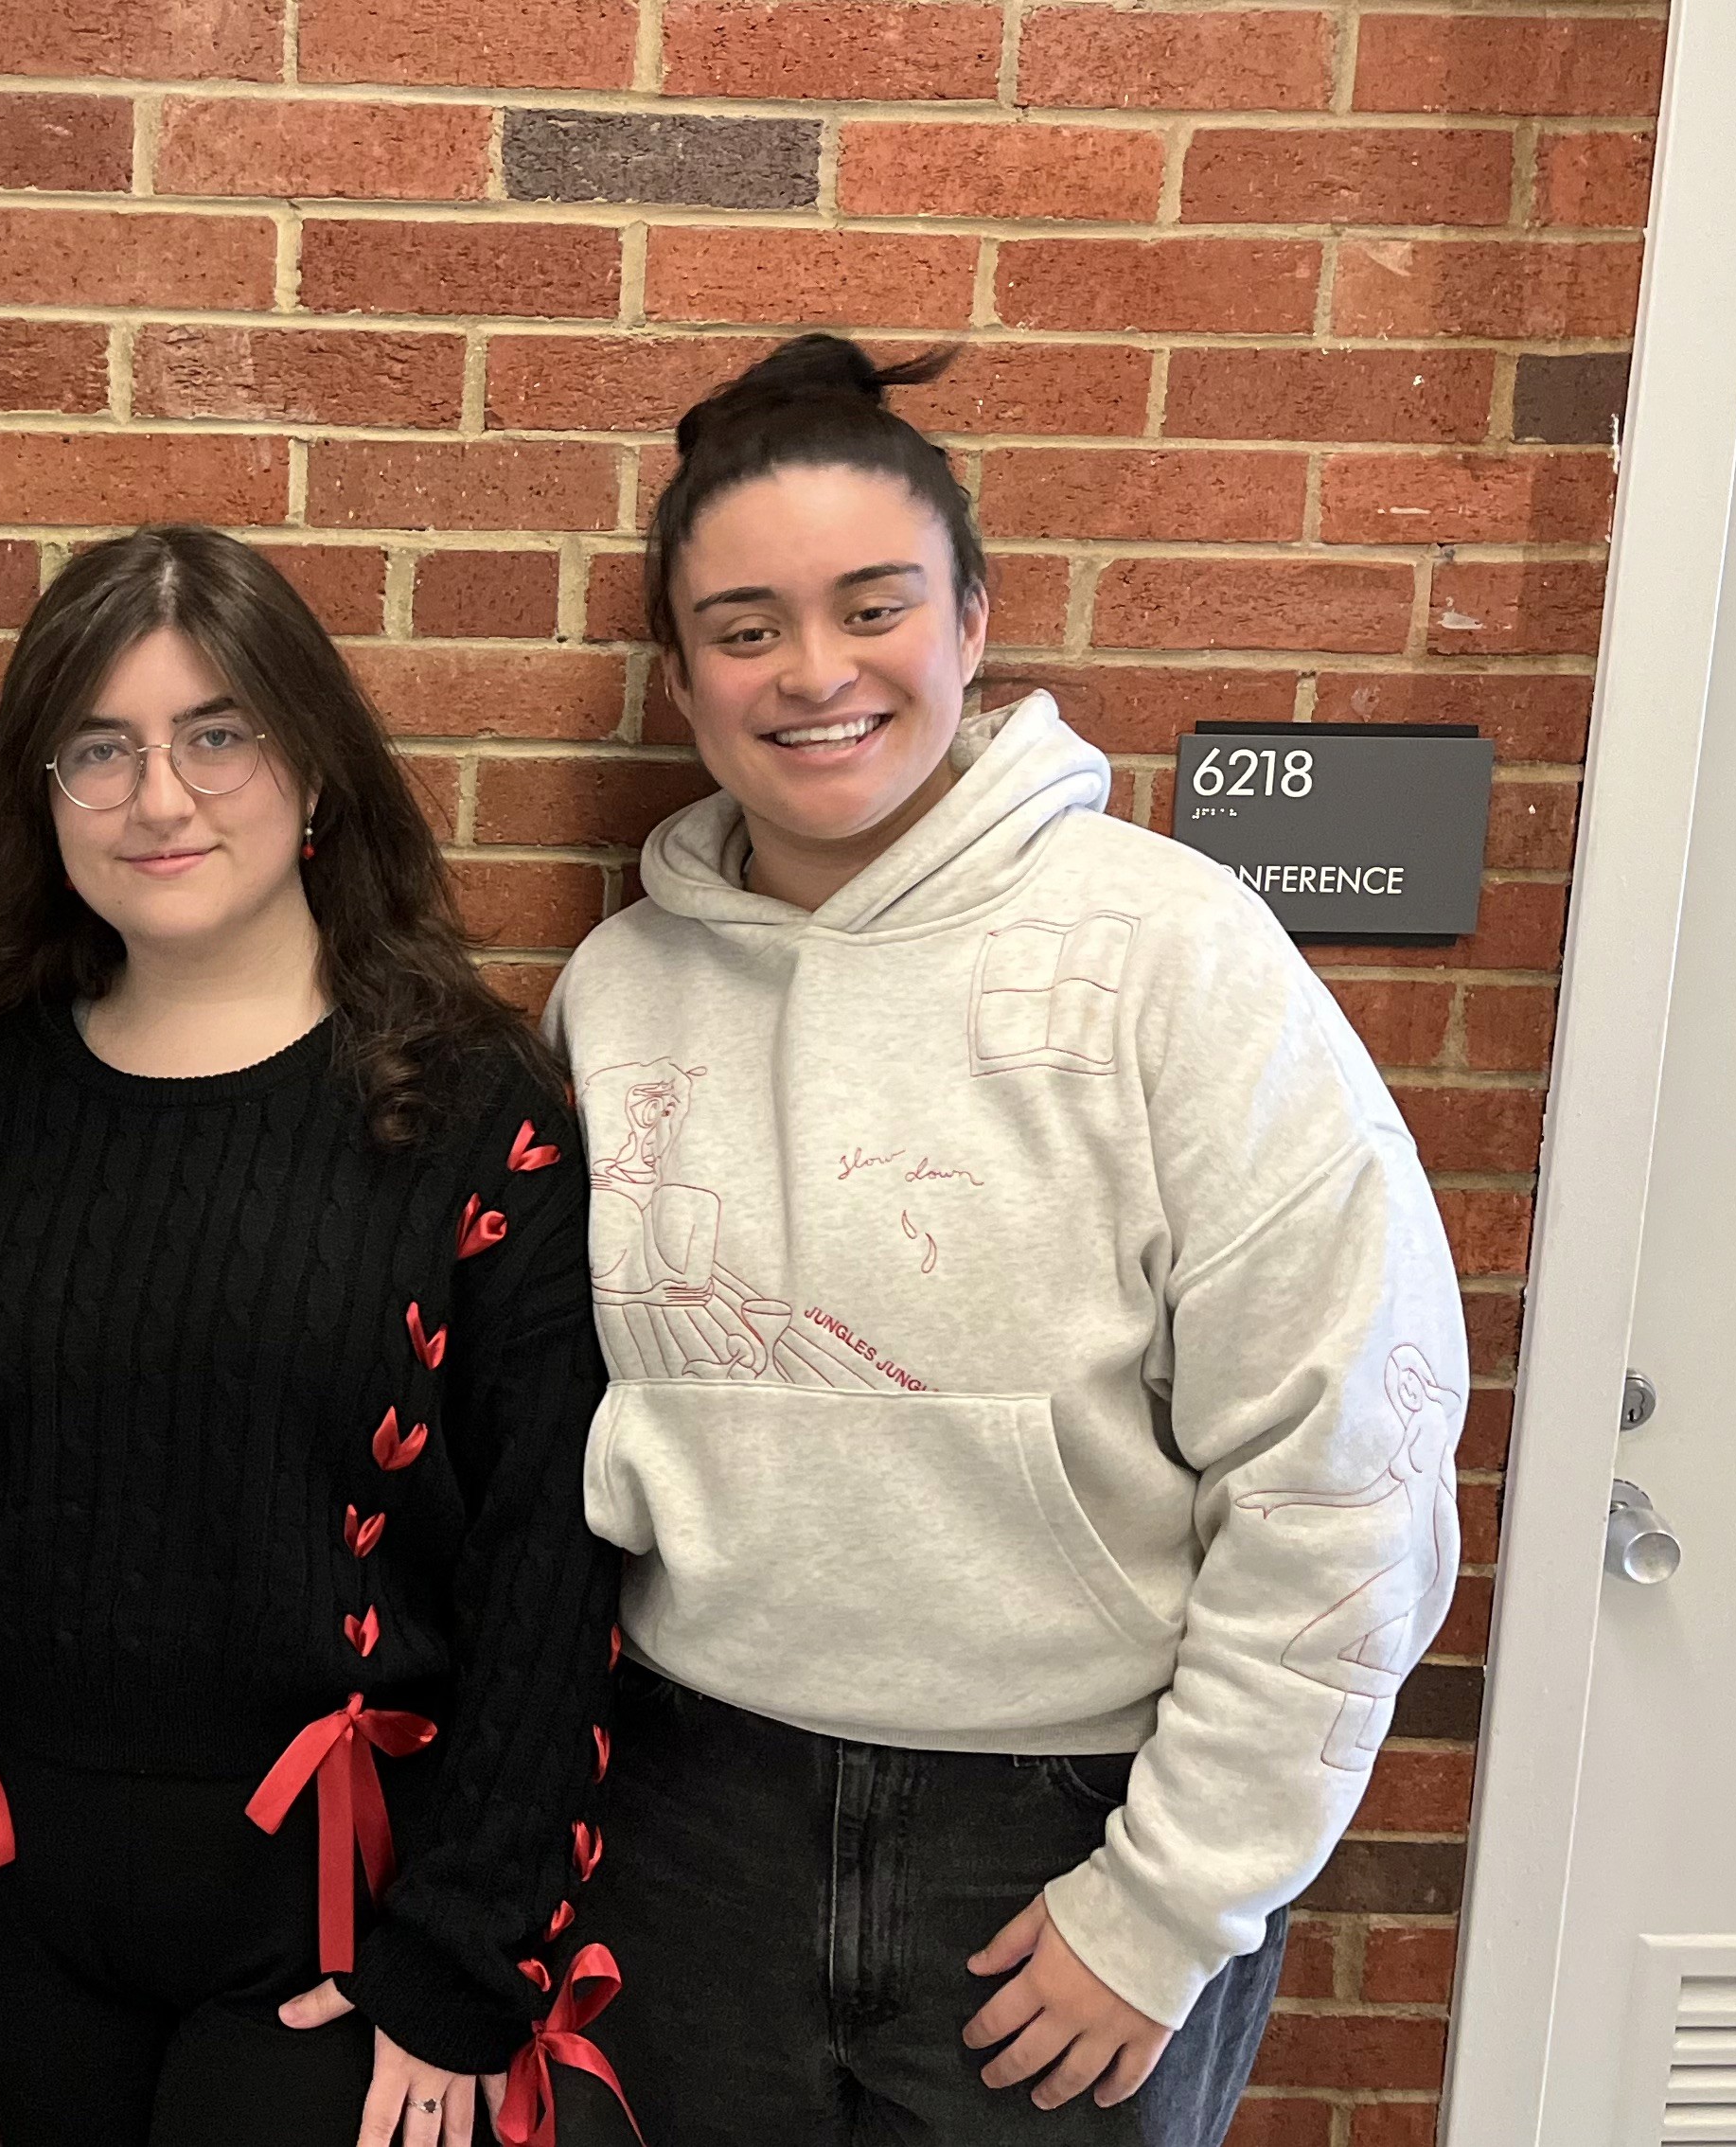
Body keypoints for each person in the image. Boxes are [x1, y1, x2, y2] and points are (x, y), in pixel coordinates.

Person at [543, 332, 1470, 2144]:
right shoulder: (618, 991)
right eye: (745, 628)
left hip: (1065, 1836)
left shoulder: (1173, 957)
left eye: (873, 606)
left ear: (971, 622)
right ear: (681, 676)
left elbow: (1350, 1457)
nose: (817, 672)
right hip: (690, 1825)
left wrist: (1170, 1902)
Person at [0, 526, 631, 2147]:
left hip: (340, 1921)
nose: (160, 798)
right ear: (42, 792)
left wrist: (466, 1949)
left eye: (217, 735)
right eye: (101, 749)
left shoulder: (472, 1114)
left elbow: (551, 1560)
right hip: (26, 1897)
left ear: (316, 768)